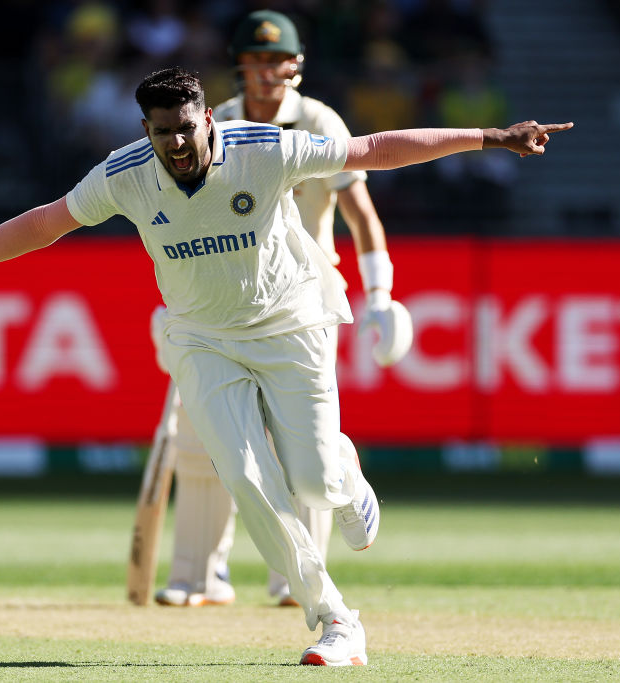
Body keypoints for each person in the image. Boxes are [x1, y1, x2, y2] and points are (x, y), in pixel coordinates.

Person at [0, 66, 571, 666]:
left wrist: (492, 138)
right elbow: (47, 221)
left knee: (314, 477)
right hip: (203, 340)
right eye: (160, 131)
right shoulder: (125, 174)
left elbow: (371, 149)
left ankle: (344, 471)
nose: (175, 144)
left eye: (185, 128)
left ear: (208, 118)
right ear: (145, 129)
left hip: (292, 323)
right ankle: (334, 619)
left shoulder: (263, 149)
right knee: (246, 477)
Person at [152, 9, 413, 611]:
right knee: (205, 441)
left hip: (300, 302)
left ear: (295, 65)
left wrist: (379, 294)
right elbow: (183, 225)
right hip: (220, 307)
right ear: (240, 66)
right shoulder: (210, 123)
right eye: (256, 61)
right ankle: (199, 576)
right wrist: (176, 312)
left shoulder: (318, 120)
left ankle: (291, 582)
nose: (268, 73)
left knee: (304, 448)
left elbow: (361, 215)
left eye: (278, 61)